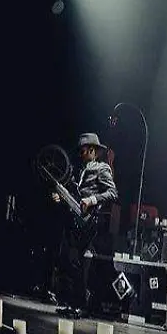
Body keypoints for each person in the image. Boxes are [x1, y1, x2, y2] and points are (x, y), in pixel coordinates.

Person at [50, 132, 119, 317]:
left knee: (80, 264)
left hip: (90, 222)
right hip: (74, 221)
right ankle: (70, 303)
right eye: (80, 151)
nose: (81, 154)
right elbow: (74, 195)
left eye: (83, 151)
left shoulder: (102, 168)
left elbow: (113, 193)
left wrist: (92, 199)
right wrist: (60, 198)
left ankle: (81, 306)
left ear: (92, 151)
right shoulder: (79, 170)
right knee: (67, 260)